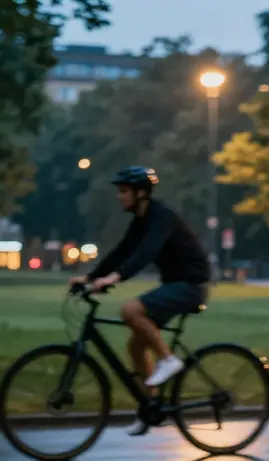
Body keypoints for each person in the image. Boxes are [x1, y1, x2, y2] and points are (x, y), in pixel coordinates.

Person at [71, 166, 212, 435]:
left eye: (124, 192)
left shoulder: (161, 217)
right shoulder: (141, 220)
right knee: (135, 347)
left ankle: (168, 359)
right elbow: (122, 251)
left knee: (130, 310)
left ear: (141, 193)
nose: (119, 197)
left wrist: (115, 278)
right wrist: (90, 278)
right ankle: (151, 406)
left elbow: (145, 253)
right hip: (175, 285)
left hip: (191, 285)